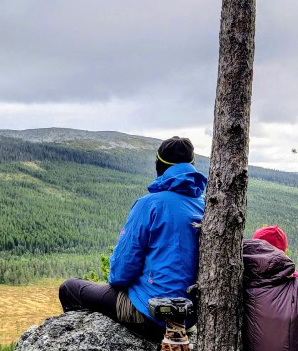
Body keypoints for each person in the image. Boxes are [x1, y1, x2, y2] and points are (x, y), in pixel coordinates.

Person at [59, 136, 206, 340]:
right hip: (188, 317)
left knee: (70, 288)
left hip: (150, 314)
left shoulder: (150, 204)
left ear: (159, 165)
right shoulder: (205, 205)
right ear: (192, 168)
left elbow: (121, 273)